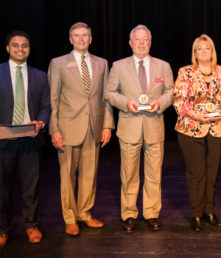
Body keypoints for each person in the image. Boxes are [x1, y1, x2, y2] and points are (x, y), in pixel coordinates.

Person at [105, 25, 174, 232]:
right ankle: (129, 214)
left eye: (145, 39)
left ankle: (152, 213)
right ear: (130, 43)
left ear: (150, 43)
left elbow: (171, 91)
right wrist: (126, 102)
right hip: (129, 127)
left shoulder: (163, 66)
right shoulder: (118, 66)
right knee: (129, 174)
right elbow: (109, 93)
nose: (142, 43)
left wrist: (160, 103)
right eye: (137, 39)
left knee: (154, 174)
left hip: (154, 126)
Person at [48, 22, 114, 236]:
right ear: (70, 39)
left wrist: (107, 125)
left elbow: (106, 97)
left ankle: (84, 213)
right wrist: (54, 129)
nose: (81, 39)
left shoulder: (102, 63)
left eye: (85, 35)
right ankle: (69, 218)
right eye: (76, 35)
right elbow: (53, 100)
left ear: (91, 38)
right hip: (67, 128)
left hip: (93, 127)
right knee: (67, 174)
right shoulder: (58, 63)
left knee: (89, 174)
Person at [173, 34, 221, 231]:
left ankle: (209, 211)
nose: (203, 51)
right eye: (199, 48)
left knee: (212, 173)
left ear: (212, 52)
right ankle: (196, 213)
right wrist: (197, 116)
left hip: (218, 128)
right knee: (196, 173)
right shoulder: (185, 73)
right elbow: (178, 101)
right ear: (194, 53)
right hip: (191, 129)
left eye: (207, 48)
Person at [0, 31, 50, 248]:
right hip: (3, 140)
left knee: (31, 186)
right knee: (2, 187)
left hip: (30, 138)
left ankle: (31, 225)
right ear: (8, 48)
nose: (21, 49)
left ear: (29, 49)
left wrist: (40, 122)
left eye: (25, 46)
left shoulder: (40, 76)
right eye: (16, 45)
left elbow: (46, 106)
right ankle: (3, 229)